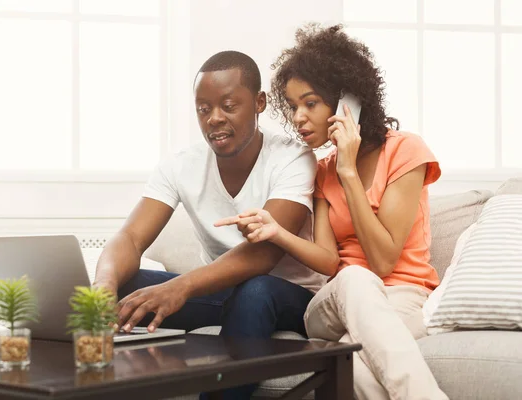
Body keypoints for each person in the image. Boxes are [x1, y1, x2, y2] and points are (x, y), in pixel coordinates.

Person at [216, 25, 448, 399]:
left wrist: (349, 171)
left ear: (347, 104)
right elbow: (327, 261)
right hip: (334, 301)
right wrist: (278, 231)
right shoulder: (323, 170)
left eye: (310, 103)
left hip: (403, 295)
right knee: (355, 278)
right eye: (292, 106)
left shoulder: (405, 151)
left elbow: (385, 261)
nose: (298, 117)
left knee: (351, 363)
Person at [93, 50, 323, 399]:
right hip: (222, 292)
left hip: (290, 296)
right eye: (204, 109)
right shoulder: (181, 164)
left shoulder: (293, 158)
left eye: (229, 106)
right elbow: (131, 237)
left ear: (259, 103)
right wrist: (105, 283)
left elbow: (262, 256)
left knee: (256, 290)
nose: (214, 118)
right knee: (126, 288)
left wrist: (180, 287)